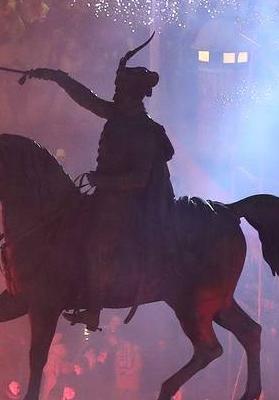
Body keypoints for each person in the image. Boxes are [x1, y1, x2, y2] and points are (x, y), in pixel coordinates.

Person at [21, 35, 174, 329]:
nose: (115, 94)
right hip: (104, 196)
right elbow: (85, 98)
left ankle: (93, 310)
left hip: (123, 203)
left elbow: (138, 179)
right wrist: (55, 76)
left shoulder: (144, 131)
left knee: (97, 248)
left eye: (120, 90)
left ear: (133, 93)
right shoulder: (119, 114)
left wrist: (101, 178)